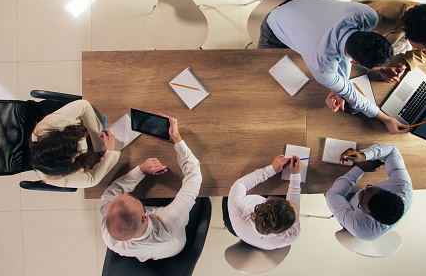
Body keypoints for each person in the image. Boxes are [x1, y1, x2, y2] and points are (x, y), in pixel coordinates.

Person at [259, 0, 408, 135]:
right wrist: (386, 119)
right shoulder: (321, 64)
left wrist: (337, 86)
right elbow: (351, 93)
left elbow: (344, 47)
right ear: (354, 62)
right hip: (274, 24)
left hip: (301, 5)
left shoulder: (367, 14)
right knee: (267, 64)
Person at [100, 115, 203, 262]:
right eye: (130, 198)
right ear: (144, 217)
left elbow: (110, 192)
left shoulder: (109, 237)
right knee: (197, 195)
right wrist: (177, 138)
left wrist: (141, 170)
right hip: (174, 244)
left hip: (147, 247)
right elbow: (194, 176)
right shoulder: (170, 221)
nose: (126, 193)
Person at [325, 144, 412, 240]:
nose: (360, 194)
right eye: (368, 189)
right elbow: (392, 151)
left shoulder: (359, 227)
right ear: (388, 191)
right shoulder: (402, 187)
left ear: (370, 215)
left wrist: (360, 168)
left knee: (323, 185)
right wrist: (364, 156)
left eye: (361, 200)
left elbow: (332, 195)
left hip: (352, 218)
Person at [30, 99, 120, 188]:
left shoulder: (49, 125)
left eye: (75, 145)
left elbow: (84, 106)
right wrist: (110, 153)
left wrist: (99, 144)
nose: (78, 153)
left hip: (85, 134)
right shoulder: (52, 177)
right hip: (89, 158)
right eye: (74, 157)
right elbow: (92, 180)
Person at [223, 155, 303, 250]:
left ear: (269, 199)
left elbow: (241, 183)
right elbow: (294, 205)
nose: (293, 203)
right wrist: (295, 175)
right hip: (253, 235)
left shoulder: (238, 207)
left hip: (237, 225)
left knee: (228, 189)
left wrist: (272, 169)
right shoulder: (293, 235)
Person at [364, 0, 426, 83]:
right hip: (365, 34)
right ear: (409, 36)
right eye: (418, 47)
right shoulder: (381, 20)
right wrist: (381, 69)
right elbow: (356, 45)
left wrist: (405, 63)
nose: (421, 51)